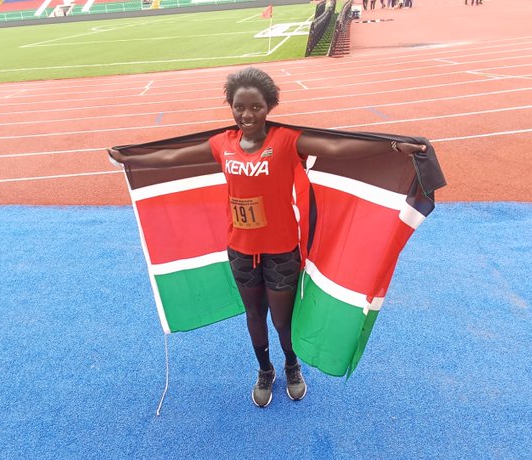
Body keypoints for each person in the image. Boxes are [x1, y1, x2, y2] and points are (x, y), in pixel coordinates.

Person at [108, 67, 426, 408]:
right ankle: (264, 370)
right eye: (239, 107)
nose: (247, 115)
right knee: (254, 315)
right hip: (241, 250)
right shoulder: (222, 144)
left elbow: (335, 146)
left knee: (280, 318)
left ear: (269, 107)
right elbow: (172, 156)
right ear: (230, 106)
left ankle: (292, 366)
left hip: (281, 251)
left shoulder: (286, 141)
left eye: (255, 107)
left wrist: (393, 146)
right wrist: (132, 157)